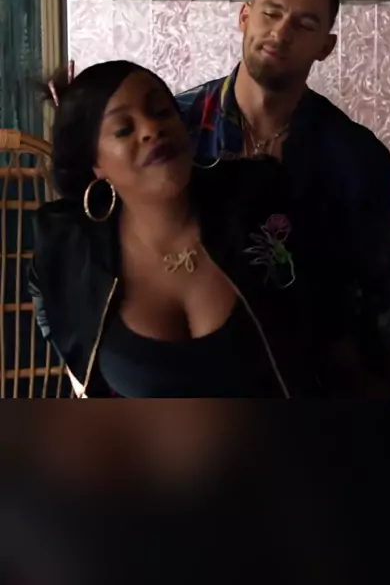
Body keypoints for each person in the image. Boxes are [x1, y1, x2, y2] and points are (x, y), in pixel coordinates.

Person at [176, 0, 390, 394]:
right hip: (194, 377)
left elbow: (380, 285)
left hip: (313, 384)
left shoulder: (356, 155)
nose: (281, 33)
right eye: (271, 13)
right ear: (245, 17)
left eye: (304, 24)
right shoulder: (175, 129)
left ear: (326, 46)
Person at [29, 60, 323, 399]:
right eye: (123, 129)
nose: (151, 129)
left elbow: (331, 325)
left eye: (161, 112)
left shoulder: (257, 202)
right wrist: (79, 380)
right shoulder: (71, 249)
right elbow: (46, 296)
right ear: (96, 163)